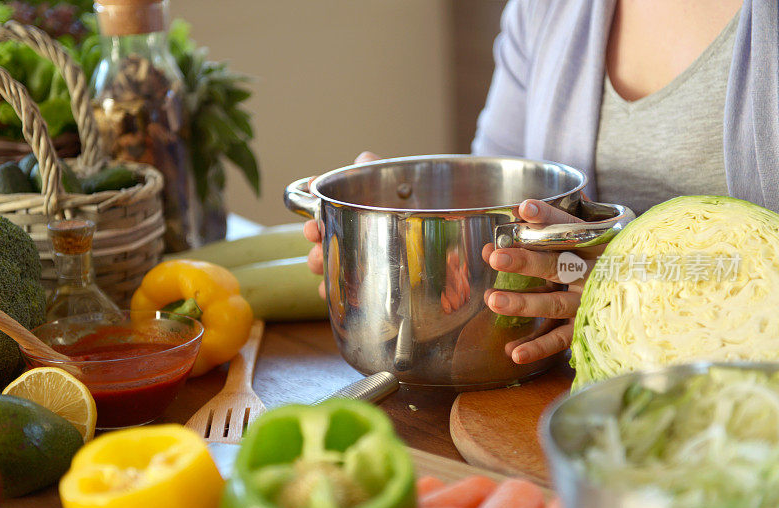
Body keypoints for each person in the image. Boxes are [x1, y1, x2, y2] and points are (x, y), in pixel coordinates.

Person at [304, 0, 778, 365]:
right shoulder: (544, 8)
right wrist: (388, 225)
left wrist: (628, 280)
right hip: (552, 393)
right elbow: (496, 187)